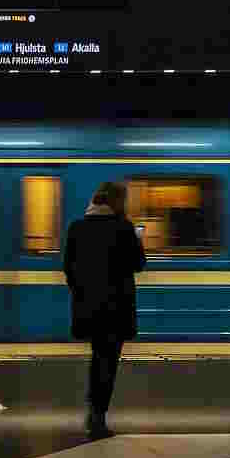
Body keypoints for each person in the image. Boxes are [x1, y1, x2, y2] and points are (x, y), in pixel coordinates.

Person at [63, 181, 147, 438]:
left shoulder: (76, 228)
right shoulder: (124, 229)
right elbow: (138, 264)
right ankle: (97, 416)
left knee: (98, 358)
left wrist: (81, 294)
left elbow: (69, 268)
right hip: (116, 309)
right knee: (107, 362)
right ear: (118, 202)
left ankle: (94, 411)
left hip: (88, 307)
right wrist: (137, 239)